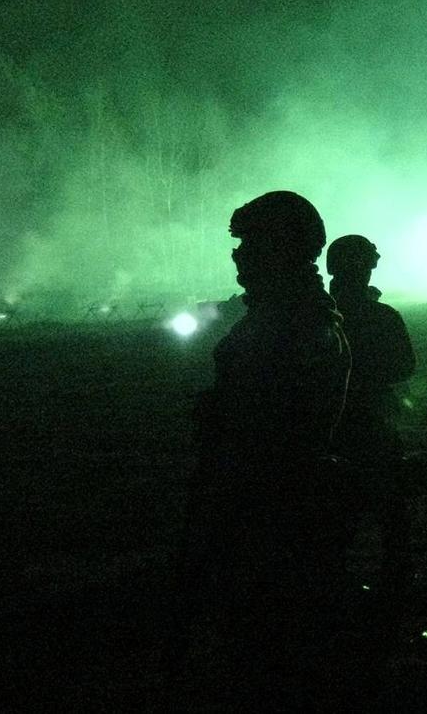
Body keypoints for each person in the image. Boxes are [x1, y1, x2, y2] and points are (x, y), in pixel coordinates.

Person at [163, 191, 351, 704]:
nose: (238, 255)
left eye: (250, 243)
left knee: (262, 655)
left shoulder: (291, 324)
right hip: (267, 507)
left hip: (266, 514)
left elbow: (272, 428)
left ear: (282, 248)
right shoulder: (292, 316)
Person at [325, 234, 417, 599]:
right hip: (375, 425)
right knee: (390, 512)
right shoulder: (382, 317)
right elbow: (405, 366)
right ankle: (395, 581)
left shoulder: (316, 315)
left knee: (335, 516)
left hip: (330, 426)